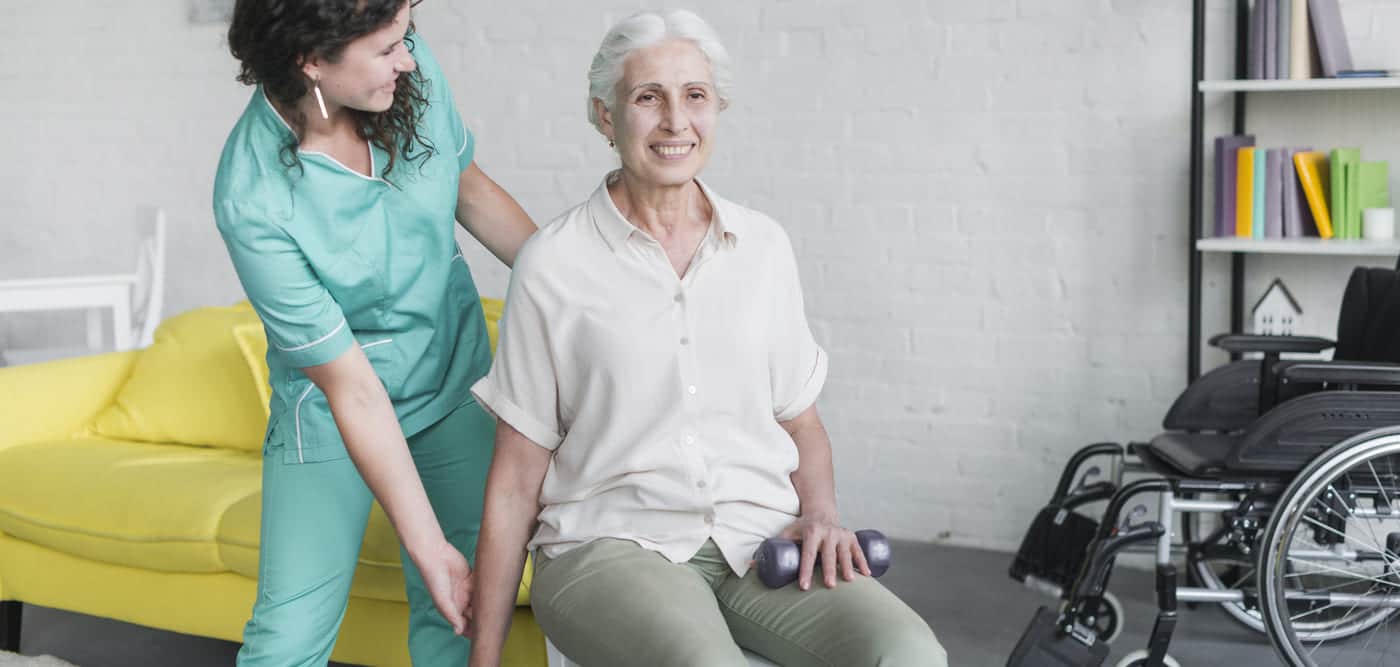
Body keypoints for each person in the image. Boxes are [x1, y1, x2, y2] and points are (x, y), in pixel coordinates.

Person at [465, 10, 947, 667]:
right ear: (606, 118)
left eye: (694, 96)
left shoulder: (764, 248)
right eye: (646, 98)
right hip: (606, 549)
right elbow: (516, 481)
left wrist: (822, 515)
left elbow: (801, 423)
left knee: (909, 653)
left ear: (715, 109)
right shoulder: (554, 264)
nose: (674, 121)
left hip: (761, 539)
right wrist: (483, 657)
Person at [213, 1, 535, 664]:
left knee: (463, 612)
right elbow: (351, 387)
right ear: (312, 61)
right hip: (335, 408)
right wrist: (425, 543)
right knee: (289, 635)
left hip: (451, 378)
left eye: (406, 36)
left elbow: (468, 190)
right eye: (387, 47)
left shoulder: (406, 75)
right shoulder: (252, 196)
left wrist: (582, 293)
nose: (409, 58)